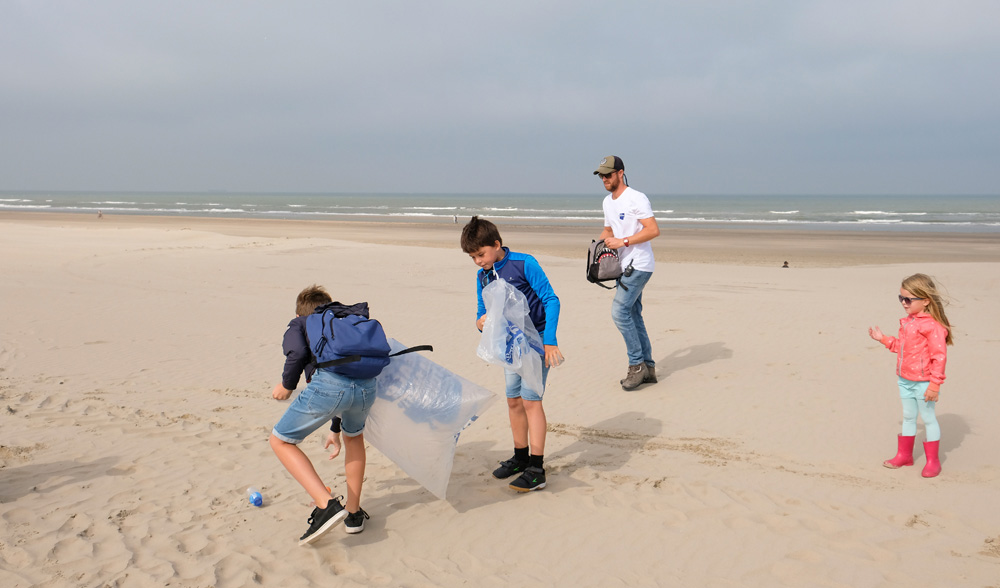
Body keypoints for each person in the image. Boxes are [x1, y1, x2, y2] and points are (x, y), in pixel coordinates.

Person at [461, 216, 564, 492]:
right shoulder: (483, 276)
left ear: (496, 244)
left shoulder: (524, 263)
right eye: (472, 257)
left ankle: (537, 467)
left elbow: (551, 300)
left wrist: (550, 341)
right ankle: (520, 457)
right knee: (514, 401)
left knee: (532, 402)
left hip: (537, 341)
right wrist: (480, 323)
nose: (478, 261)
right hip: (510, 346)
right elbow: (482, 312)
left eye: (481, 254)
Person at [269, 285, 372, 544]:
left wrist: (286, 385)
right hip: (367, 387)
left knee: (280, 440)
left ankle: (325, 504)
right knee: (354, 439)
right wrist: (335, 429)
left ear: (299, 312)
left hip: (330, 387)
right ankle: (353, 513)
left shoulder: (300, 322)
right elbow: (348, 375)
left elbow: (298, 353)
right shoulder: (344, 322)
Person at [868, 273, 954, 478]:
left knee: (928, 418)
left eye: (908, 299)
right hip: (904, 379)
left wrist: (934, 385)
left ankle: (933, 461)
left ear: (926, 301)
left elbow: (939, 358)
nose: (904, 303)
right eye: (901, 298)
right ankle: (904, 455)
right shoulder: (907, 322)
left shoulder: (932, 326)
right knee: (908, 416)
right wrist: (883, 339)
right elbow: (902, 347)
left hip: (924, 383)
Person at [594, 155, 661, 390]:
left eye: (608, 174)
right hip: (623, 266)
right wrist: (596, 249)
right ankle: (649, 368)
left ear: (621, 173)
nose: (604, 179)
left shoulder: (636, 198)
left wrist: (623, 241)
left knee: (619, 312)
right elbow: (608, 229)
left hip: (640, 264)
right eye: (601, 175)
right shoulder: (607, 201)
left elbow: (653, 230)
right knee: (633, 315)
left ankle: (637, 365)